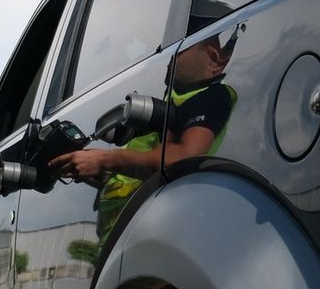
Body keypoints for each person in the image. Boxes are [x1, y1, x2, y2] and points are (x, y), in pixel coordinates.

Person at [52, 23, 238, 243]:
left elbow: (181, 160)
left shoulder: (213, 97)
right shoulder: (171, 101)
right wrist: (98, 170)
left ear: (214, 61)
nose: (169, 55)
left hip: (145, 236)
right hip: (124, 236)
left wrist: (105, 159)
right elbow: (143, 170)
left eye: (183, 46)